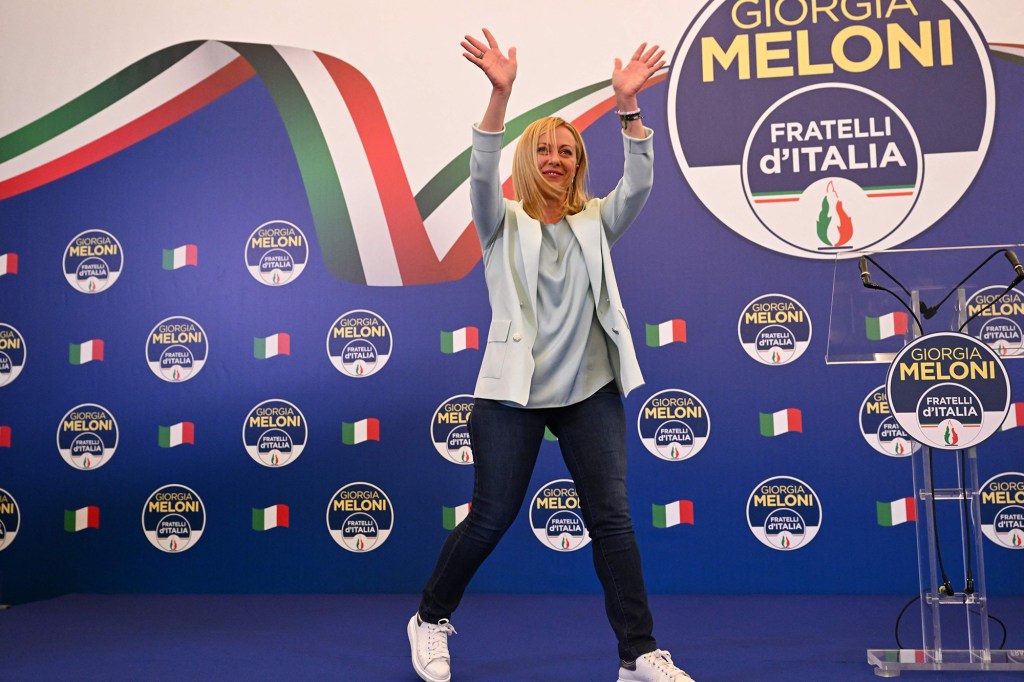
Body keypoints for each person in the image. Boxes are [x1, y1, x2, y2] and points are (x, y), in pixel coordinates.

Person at [408, 28, 694, 682]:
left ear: (578, 162)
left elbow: (641, 184)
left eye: (567, 149)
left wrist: (628, 108)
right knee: (490, 518)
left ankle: (638, 655)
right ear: (528, 161)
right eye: (545, 149)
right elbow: (481, 167)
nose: (558, 157)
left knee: (613, 522)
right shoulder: (500, 221)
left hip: (590, 392)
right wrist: (500, 94)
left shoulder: (596, 220)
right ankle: (429, 619)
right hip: (512, 396)